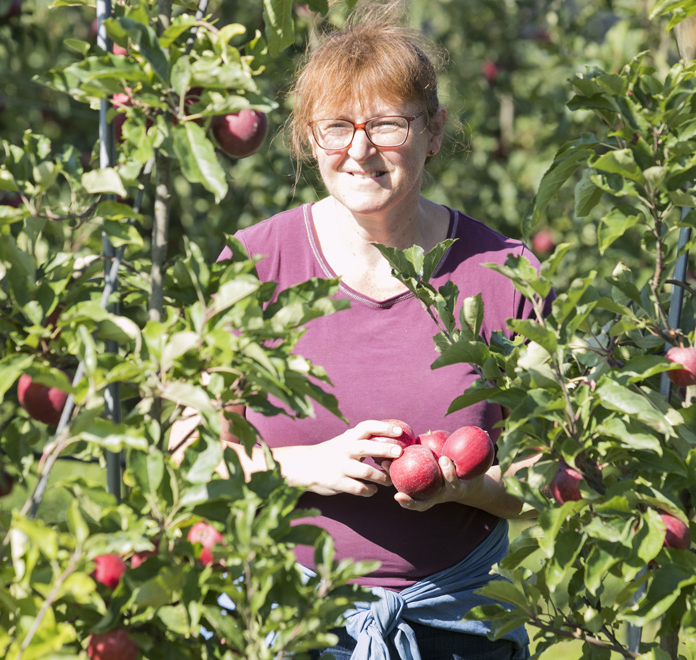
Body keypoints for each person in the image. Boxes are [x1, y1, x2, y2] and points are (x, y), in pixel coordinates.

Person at [200, 4, 549, 659]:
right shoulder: (254, 265)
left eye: (386, 123)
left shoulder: (505, 275)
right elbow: (191, 453)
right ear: (309, 137)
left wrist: (470, 487)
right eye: (336, 126)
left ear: (434, 131)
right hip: (278, 626)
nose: (359, 149)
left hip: (454, 630)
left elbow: (555, 475)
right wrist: (302, 465)